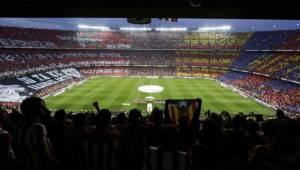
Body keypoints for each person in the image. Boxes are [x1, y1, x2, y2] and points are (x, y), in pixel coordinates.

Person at [13, 97, 57, 170]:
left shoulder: (19, 124)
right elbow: (44, 151)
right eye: (41, 107)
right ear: (36, 110)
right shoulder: (37, 127)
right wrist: (54, 162)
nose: (44, 108)